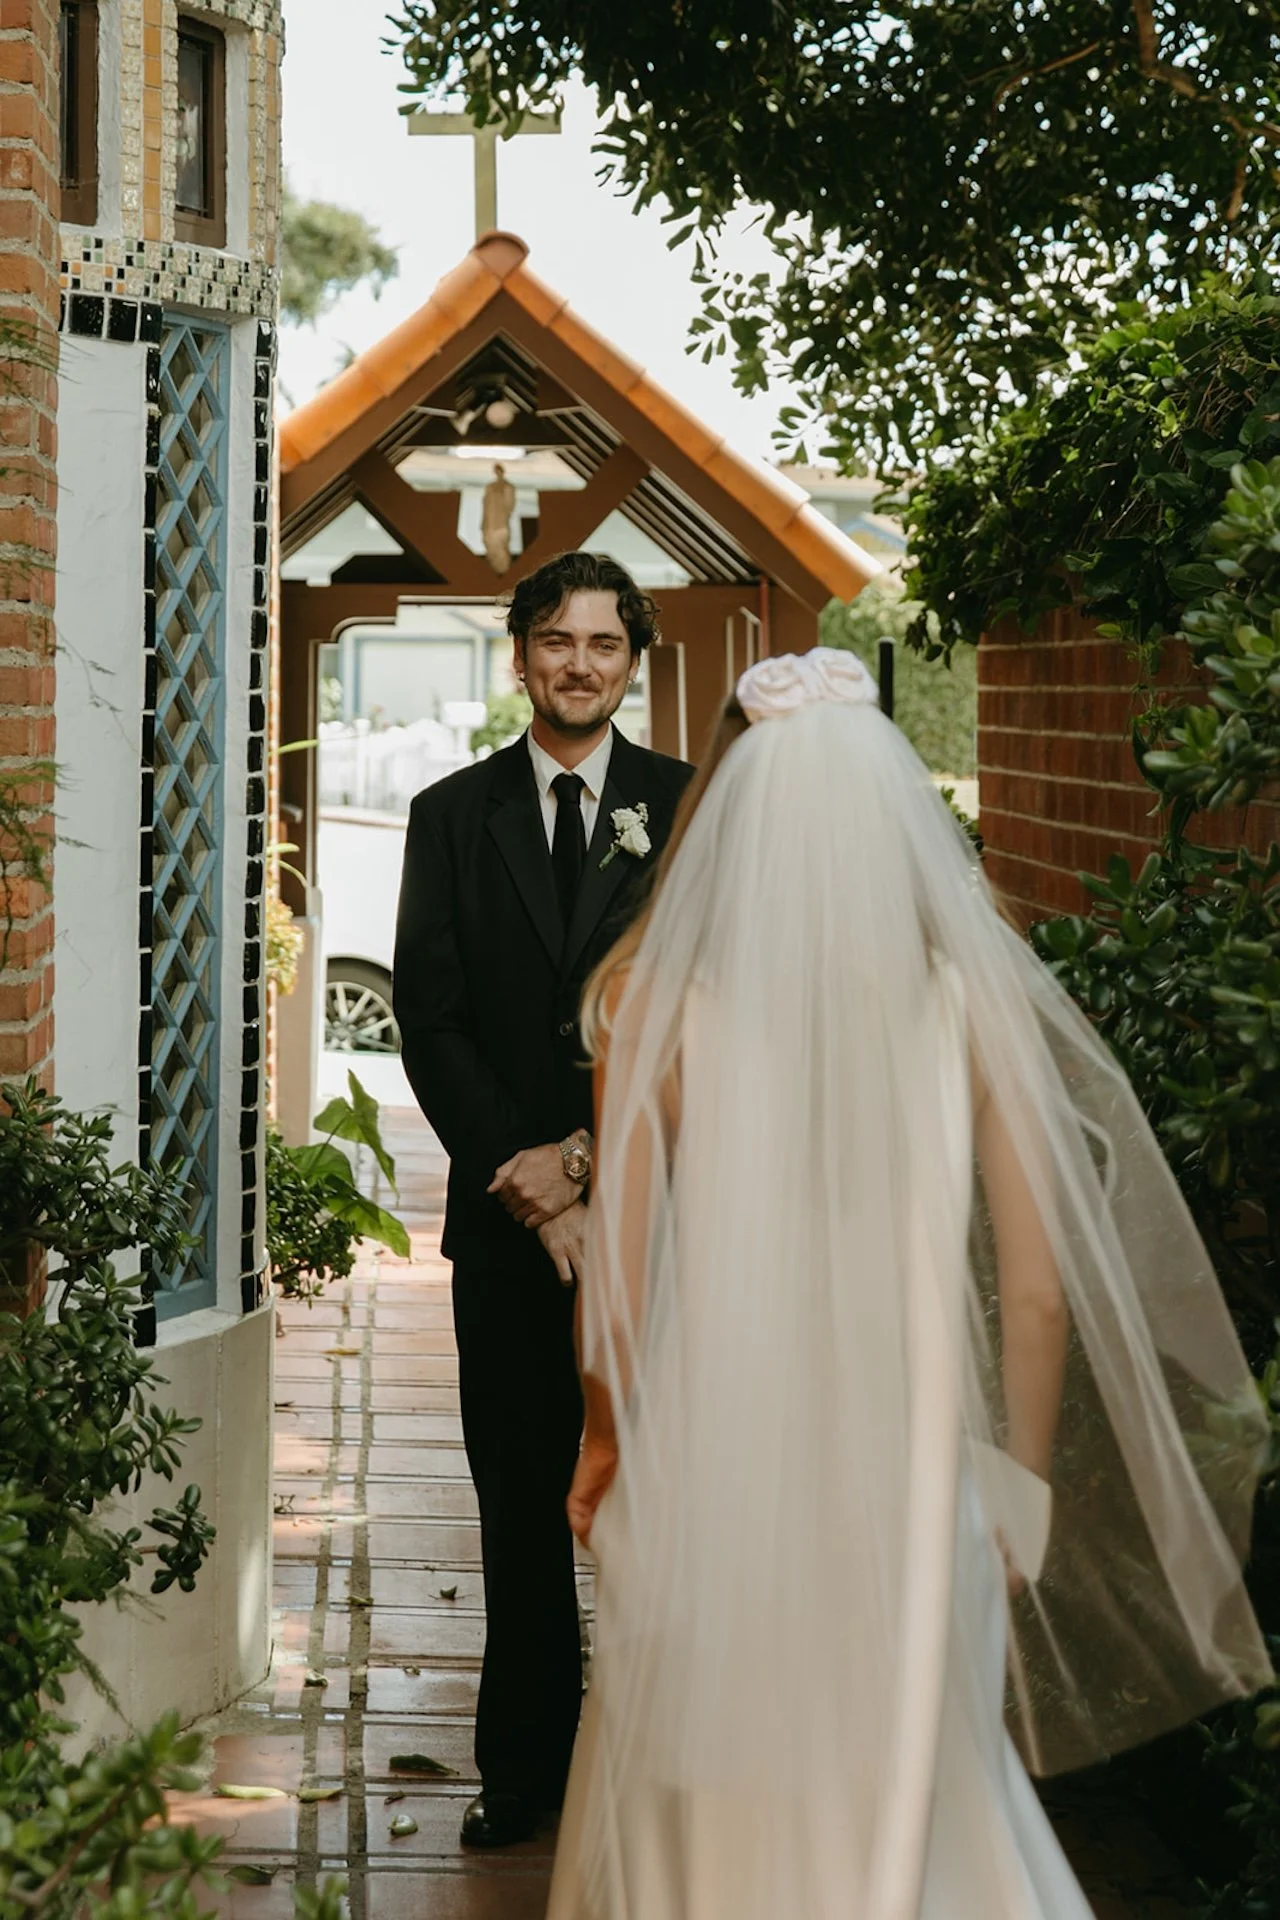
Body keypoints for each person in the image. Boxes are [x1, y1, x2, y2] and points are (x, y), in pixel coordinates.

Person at [549, 648, 1272, 1920]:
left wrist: (606, 1455)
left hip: (715, 1476)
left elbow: (615, 1289)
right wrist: (1017, 1496)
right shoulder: (964, 1005)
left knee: (707, 1788)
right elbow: (1038, 1298)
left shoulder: (652, 1001)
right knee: (927, 1792)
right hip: (913, 1482)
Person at [392, 549, 692, 1850]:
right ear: (519, 656)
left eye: (605, 644)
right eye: (556, 641)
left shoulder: (688, 808)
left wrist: (586, 1159)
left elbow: (701, 1012)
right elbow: (430, 1015)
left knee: (661, 1497)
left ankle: (661, 1758)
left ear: (635, 664)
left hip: (660, 1214)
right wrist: (529, 1180)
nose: (581, 664)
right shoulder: (451, 815)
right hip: (505, 1222)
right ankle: (524, 1770)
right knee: (518, 1495)